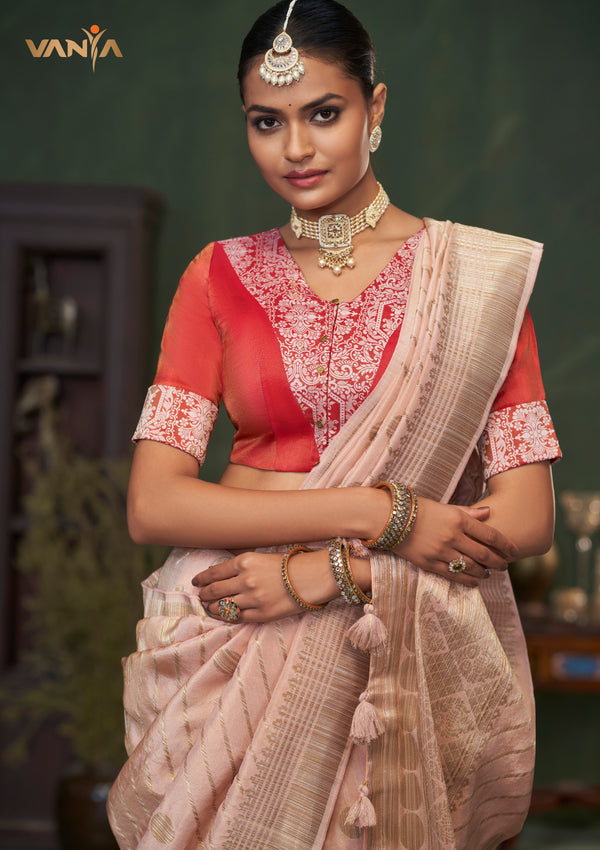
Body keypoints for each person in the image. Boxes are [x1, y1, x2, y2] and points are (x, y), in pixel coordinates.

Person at [107, 1, 561, 847]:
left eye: (324, 113)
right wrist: (376, 516)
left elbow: (526, 519)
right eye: (266, 122)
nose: (297, 149)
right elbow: (154, 504)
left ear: (375, 109)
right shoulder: (216, 277)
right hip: (228, 627)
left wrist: (335, 574)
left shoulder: (479, 285)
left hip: (391, 643)